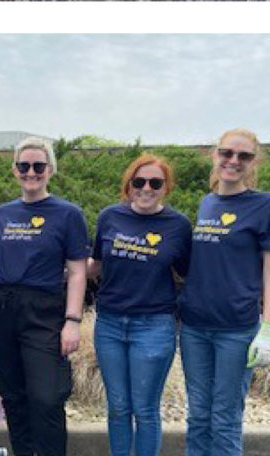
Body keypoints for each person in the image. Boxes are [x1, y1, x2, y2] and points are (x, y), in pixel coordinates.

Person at [0, 137, 89, 456]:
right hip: (2, 308)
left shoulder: (68, 214)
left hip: (43, 310)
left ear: (51, 170)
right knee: (12, 394)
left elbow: (78, 271)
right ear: (15, 170)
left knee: (46, 396)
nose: (31, 172)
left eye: (38, 166)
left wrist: (72, 320)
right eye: (24, 166)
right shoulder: (1, 214)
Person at [89, 153, 192, 456]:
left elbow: (187, 274)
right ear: (129, 185)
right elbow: (95, 263)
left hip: (154, 325)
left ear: (166, 187)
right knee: (118, 407)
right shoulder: (110, 217)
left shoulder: (178, 225)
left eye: (155, 182)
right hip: (108, 323)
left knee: (145, 408)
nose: (146, 188)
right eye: (139, 181)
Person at [177, 129, 270, 456]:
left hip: (236, 328)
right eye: (227, 153)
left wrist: (268, 329)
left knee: (225, 417)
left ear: (253, 161)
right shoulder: (208, 201)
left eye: (243, 156)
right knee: (198, 415)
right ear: (215, 154)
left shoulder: (263, 205)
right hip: (194, 327)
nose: (233, 161)